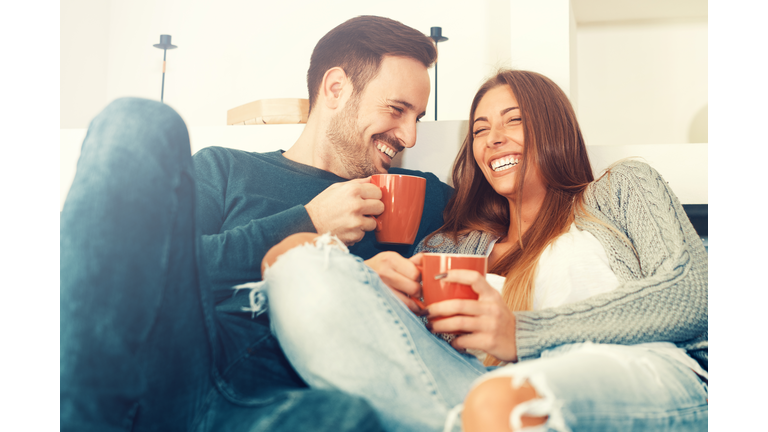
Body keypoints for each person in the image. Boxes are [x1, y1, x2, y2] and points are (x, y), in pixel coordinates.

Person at [60, 15, 450, 431]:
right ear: (336, 89)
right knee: (137, 122)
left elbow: (514, 210)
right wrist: (309, 221)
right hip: (178, 364)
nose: (409, 137)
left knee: (349, 419)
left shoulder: (411, 194)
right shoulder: (224, 169)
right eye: (396, 109)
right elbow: (143, 274)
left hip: (283, 400)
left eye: (418, 118)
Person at [261, 70, 708, 431]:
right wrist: (382, 290)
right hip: (478, 395)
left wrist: (522, 333)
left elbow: (694, 294)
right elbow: (421, 353)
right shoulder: (450, 245)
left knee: (502, 405)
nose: (492, 138)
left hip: (639, 375)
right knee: (293, 257)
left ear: (554, 127)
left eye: (513, 120)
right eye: (480, 129)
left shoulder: (618, 189)